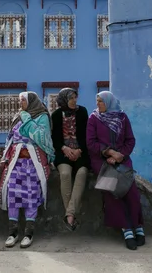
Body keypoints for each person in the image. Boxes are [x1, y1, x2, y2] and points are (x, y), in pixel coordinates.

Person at [86, 91, 145, 250]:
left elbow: (130, 140)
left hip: (122, 159)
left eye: (101, 101)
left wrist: (121, 155)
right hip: (102, 161)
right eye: (97, 101)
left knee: (132, 193)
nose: (98, 104)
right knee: (113, 192)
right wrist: (109, 152)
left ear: (109, 102)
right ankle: (126, 230)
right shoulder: (94, 118)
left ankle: (137, 225)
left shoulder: (122, 117)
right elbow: (90, 143)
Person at [0, 91, 55, 249]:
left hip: (33, 163)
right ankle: (13, 233)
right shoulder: (18, 115)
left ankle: (28, 233)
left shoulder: (42, 116)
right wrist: (5, 156)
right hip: (16, 163)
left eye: (23, 100)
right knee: (13, 194)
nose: (20, 103)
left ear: (31, 101)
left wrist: (27, 121)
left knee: (31, 196)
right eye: (19, 100)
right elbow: (10, 137)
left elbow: (42, 137)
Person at [51, 88, 89, 230]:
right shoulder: (55, 115)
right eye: (71, 98)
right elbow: (54, 139)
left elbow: (87, 134)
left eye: (75, 97)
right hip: (63, 153)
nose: (74, 100)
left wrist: (79, 150)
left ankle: (69, 215)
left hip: (81, 152)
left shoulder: (83, 112)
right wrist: (65, 149)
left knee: (82, 173)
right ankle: (71, 215)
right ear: (64, 100)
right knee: (65, 175)